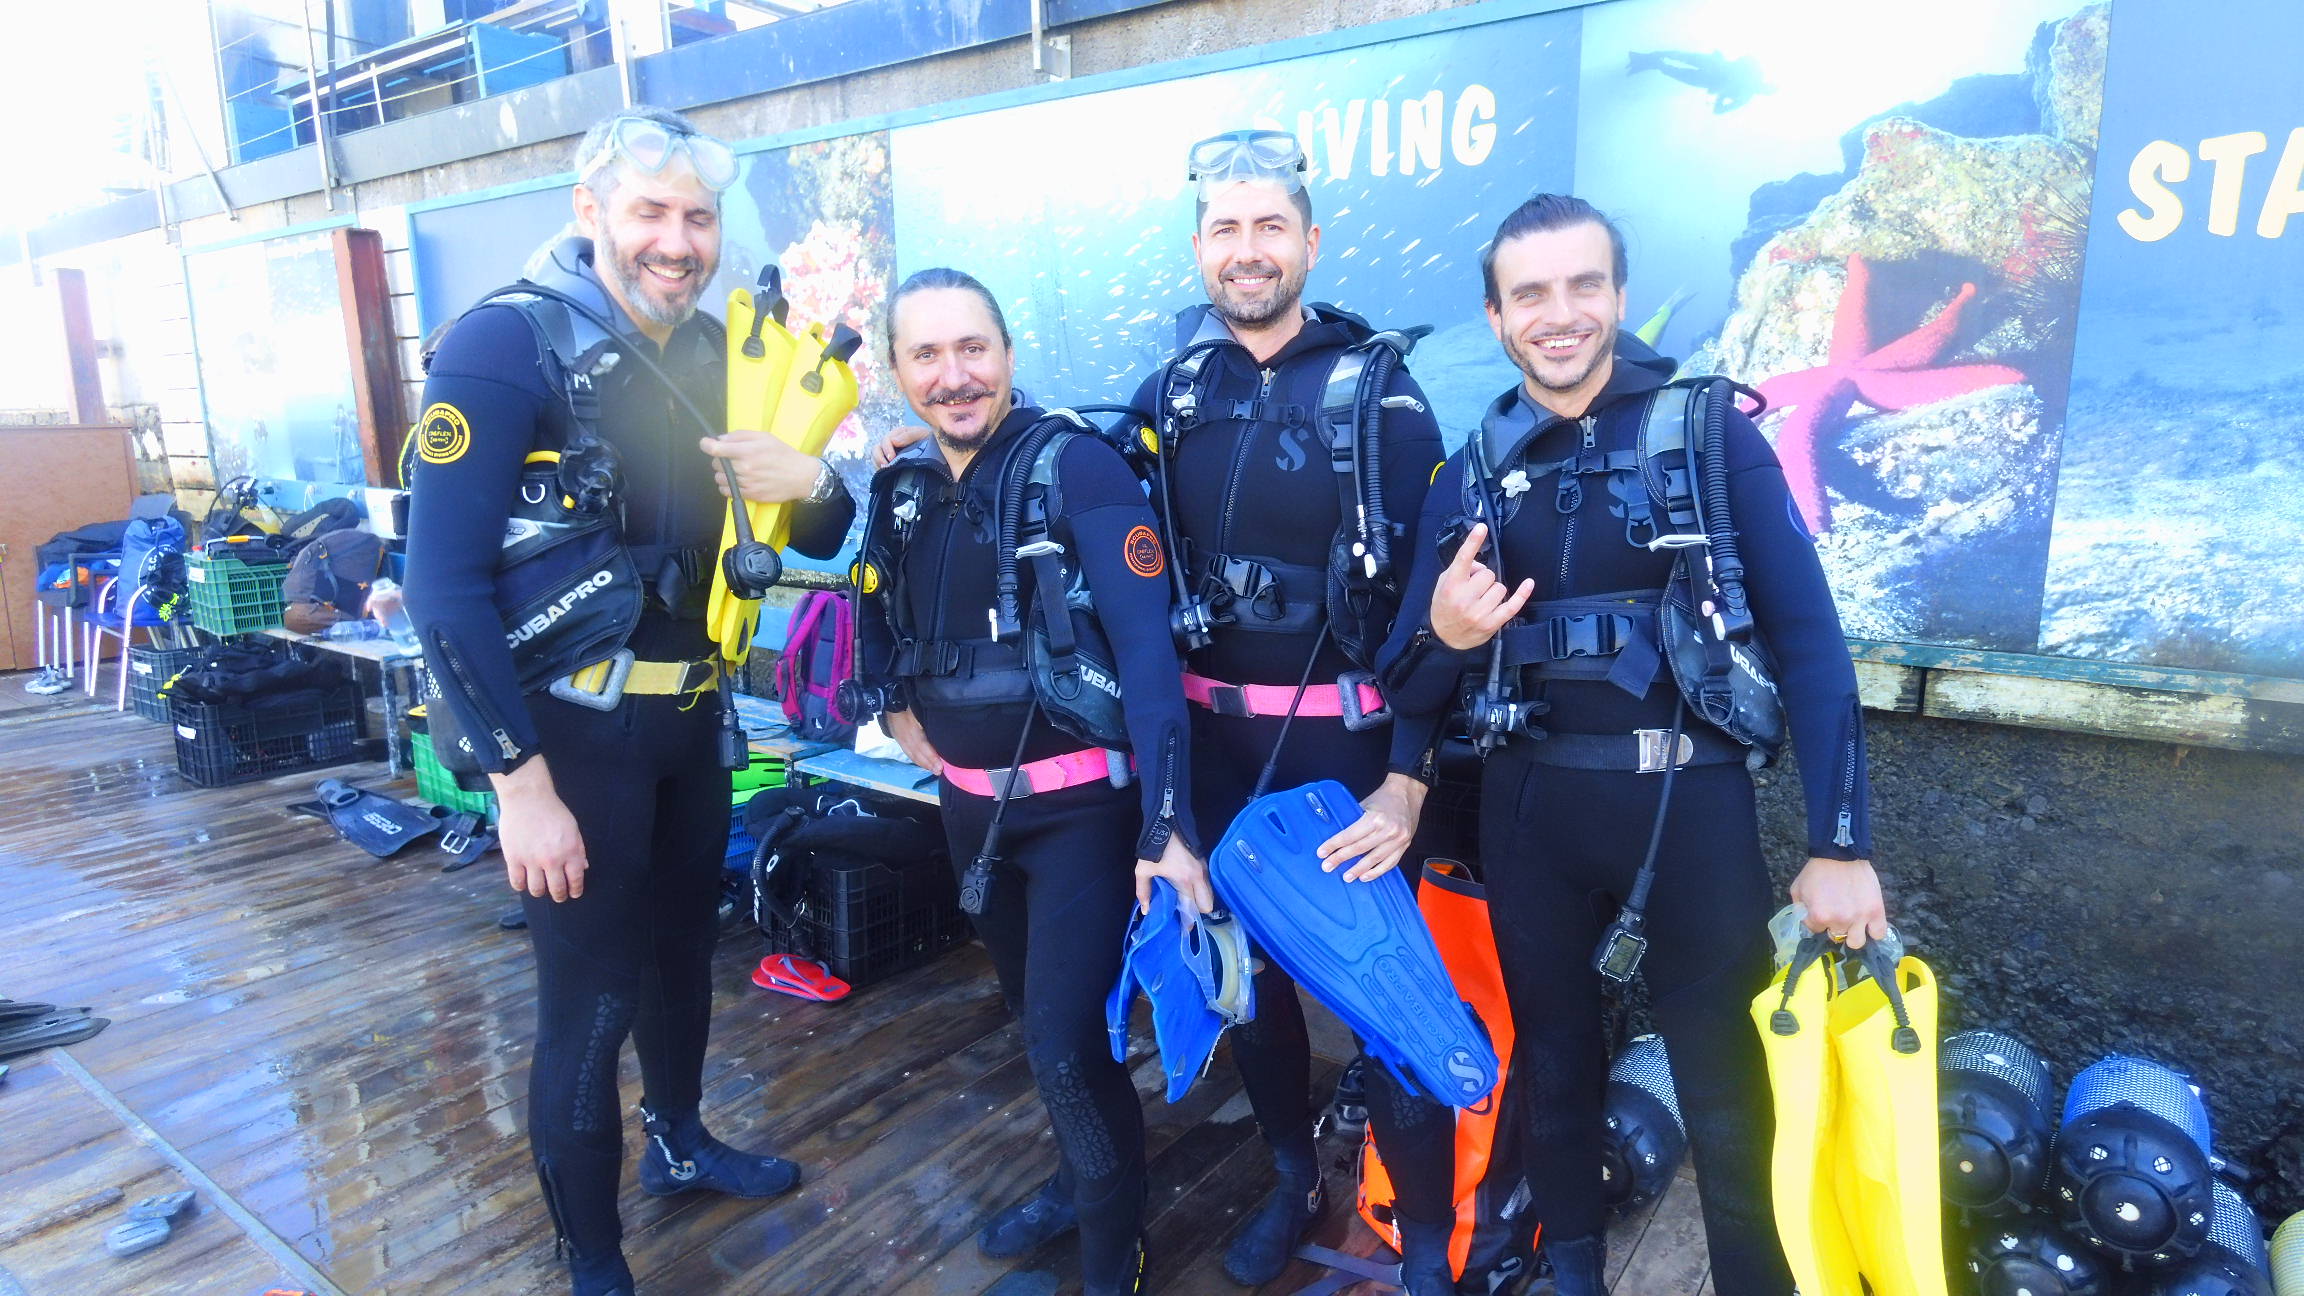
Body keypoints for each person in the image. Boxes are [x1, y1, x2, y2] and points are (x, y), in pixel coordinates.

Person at [1374, 193, 1889, 1296]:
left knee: (1729, 1088)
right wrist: (1442, 641)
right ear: (1496, 316)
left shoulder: (1709, 436)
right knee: (1554, 1071)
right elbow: (1405, 683)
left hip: (1689, 808)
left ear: (1617, 295)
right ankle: (1573, 1275)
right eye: (1530, 294)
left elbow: (1813, 649)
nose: (1558, 314)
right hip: (1530, 812)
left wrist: (1841, 843)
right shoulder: (1469, 472)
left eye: (1583, 285)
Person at [403, 105, 853, 1296]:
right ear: (590, 211)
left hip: (691, 723)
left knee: (680, 956)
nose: (677, 241)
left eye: (698, 217)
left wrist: (812, 475)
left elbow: (820, 528)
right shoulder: (503, 346)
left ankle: (681, 1139)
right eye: (650, 212)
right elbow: (439, 586)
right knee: (590, 1001)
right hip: (571, 741)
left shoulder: (716, 354)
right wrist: (520, 787)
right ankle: (592, 1255)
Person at [1119, 128, 1458, 1292]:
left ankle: (1425, 1247)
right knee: (1246, 982)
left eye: (1271, 226)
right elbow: (1080, 509)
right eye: (1226, 228)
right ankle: (1290, 1176)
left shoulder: (1381, 398)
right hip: (1215, 753)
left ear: (1311, 243)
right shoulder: (1169, 395)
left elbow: (1432, 612)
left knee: (1388, 999)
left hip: (1346, 758)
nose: (1248, 248)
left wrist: (1408, 776)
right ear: (1198, 250)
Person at [850, 267, 1207, 1296]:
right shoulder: (908, 487)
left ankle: (1112, 1261)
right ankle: (1077, 1185)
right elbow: (877, 612)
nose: (954, 375)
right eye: (927, 355)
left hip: (1082, 815)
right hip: (971, 811)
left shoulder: (1077, 469)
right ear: (899, 371)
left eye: (973, 349)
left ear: (1007, 355)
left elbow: (1149, 661)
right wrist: (900, 713)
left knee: (1063, 1045)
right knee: (1036, 1022)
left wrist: (1169, 826)